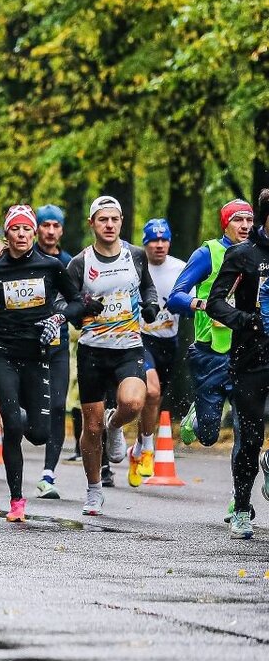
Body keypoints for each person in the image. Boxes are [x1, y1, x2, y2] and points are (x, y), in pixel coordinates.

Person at [0, 205, 83, 522]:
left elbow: (77, 302)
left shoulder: (51, 265)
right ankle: (17, 501)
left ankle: (23, 409)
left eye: (26, 229)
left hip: (37, 357)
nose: (21, 234)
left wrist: (58, 318)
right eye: (15, 229)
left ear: (34, 233)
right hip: (3, 355)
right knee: (13, 426)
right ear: (7, 235)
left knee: (40, 434)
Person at [66, 196, 160, 506]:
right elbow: (63, 304)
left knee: (133, 402)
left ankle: (115, 425)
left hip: (128, 347)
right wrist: (80, 309)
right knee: (90, 428)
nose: (109, 225)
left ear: (121, 222)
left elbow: (147, 286)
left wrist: (151, 305)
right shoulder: (80, 263)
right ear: (92, 223)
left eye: (114, 219)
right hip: (93, 351)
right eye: (103, 219)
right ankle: (94, 490)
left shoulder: (135, 255)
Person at [167, 199, 254, 449]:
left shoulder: (258, 255)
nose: (245, 225)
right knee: (208, 435)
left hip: (247, 350)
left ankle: (243, 486)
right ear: (225, 224)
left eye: (249, 220)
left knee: (246, 428)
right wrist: (205, 304)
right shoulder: (209, 253)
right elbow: (175, 297)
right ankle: (197, 414)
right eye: (238, 220)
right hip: (210, 353)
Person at [207, 189, 269, 538]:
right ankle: (242, 508)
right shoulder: (243, 255)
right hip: (250, 357)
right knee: (250, 437)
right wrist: (248, 320)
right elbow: (216, 303)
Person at [139, 218, 186, 473]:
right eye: (153, 240)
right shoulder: (137, 267)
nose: (159, 245)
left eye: (164, 239)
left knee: (154, 399)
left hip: (170, 341)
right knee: (152, 391)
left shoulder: (180, 267)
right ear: (145, 244)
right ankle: (148, 447)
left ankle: (138, 447)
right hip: (141, 338)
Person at [33, 204, 73, 498]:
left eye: (55, 226)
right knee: (30, 412)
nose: (50, 231)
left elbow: (78, 301)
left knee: (58, 406)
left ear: (62, 229)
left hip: (57, 344)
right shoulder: (25, 259)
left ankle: (49, 474)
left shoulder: (70, 263)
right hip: (25, 346)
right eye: (45, 225)